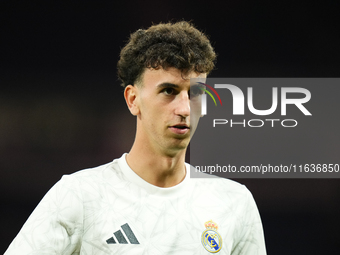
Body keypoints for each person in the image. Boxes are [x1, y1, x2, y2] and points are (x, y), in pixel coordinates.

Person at [5, 21, 266, 254]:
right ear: (133, 100)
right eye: (168, 91)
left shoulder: (234, 204)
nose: (185, 109)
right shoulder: (79, 197)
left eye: (196, 93)